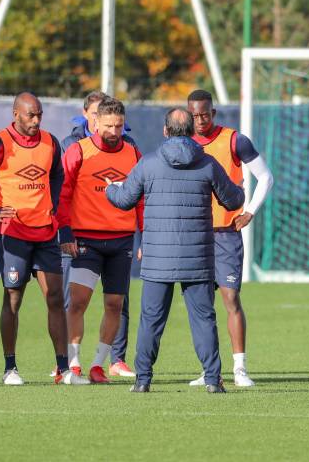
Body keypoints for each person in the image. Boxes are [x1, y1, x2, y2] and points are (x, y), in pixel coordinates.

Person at [105, 108, 245, 393]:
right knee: (204, 319)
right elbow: (232, 201)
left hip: (158, 259)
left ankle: (143, 380)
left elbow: (124, 200)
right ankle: (212, 380)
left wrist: (110, 189)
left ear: (165, 130)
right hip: (198, 258)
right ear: (192, 131)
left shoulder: (149, 163)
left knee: (151, 320)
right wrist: (240, 190)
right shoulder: (207, 163)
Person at [0, 92, 88, 386]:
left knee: (55, 298)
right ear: (16, 114)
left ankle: (63, 369)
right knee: (13, 298)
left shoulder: (50, 142)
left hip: (45, 232)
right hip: (13, 234)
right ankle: (10, 368)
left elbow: (57, 176)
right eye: (31, 115)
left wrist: (50, 204)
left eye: (40, 114)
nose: (36, 120)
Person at [186, 89, 274, 387]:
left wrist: (249, 211)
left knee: (231, 298)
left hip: (226, 233)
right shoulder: (183, 143)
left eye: (205, 114)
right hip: (196, 234)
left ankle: (240, 369)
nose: (200, 120)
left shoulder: (235, 140)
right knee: (201, 303)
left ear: (213, 112)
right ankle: (209, 369)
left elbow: (265, 177)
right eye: (194, 115)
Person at [56, 98, 143, 383]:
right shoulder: (78, 151)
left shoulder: (132, 153)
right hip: (86, 241)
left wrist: (143, 237)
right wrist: (65, 231)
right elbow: (62, 193)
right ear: (95, 123)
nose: (114, 131)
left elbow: (141, 200)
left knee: (115, 305)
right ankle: (74, 361)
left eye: (119, 125)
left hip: (121, 242)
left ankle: (98, 364)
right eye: (108, 125)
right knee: (78, 302)